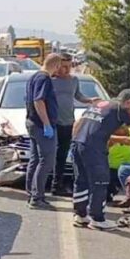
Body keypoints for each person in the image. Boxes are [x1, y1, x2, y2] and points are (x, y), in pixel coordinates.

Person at [72, 89, 130, 231]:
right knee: (101, 181)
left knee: (81, 179)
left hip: (78, 142)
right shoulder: (121, 109)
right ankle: (97, 218)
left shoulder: (98, 104)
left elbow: (78, 123)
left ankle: (80, 215)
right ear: (129, 102)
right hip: (94, 147)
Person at [50, 54, 96, 197]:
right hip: (52, 122)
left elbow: (78, 96)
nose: (66, 70)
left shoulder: (74, 80)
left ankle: (57, 184)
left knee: (62, 154)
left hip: (68, 121)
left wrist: (89, 100)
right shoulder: (50, 81)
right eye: (63, 66)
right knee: (49, 155)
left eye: (69, 66)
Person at [26, 53, 64, 209]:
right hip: (42, 126)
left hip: (33, 123)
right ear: (56, 65)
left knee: (35, 160)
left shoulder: (33, 76)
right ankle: (37, 197)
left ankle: (31, 193)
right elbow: (39, 100)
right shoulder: (44, 78)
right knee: (46, 161)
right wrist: (47, 124)